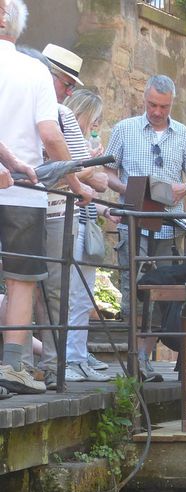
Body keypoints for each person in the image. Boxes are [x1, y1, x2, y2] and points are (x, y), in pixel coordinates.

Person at [0, 0, 89, 395]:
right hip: (24, 190)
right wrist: (77, 184)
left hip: (14, 177)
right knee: (22, 282)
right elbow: (50, 136)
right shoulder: (33, 70)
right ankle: (12, 367)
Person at [106, 73, 186, 382]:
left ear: (171, 104)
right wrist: (127, 190)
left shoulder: (184, 135)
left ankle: (145, 358)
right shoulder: (124, 129)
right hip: (134, 223)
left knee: (162, 293)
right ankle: (135, 359)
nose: (157, 112)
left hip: (168, 227)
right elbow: (106, 172)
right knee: (132, 290)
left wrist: (183, 189)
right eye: (152, 105)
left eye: (163, 106)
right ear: (144, 100)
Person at [29, 45, 110, 387]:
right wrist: (81, 178)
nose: (69, 90)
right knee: (53, 291)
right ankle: (53, 364)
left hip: (36, 207)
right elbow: (93, 175)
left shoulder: (50, 111)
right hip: (52, 212)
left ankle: (47, 363)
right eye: (67, 82)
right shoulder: (58, 114)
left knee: (39, 289)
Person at [63, 88, 114, 381]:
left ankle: (78, 355)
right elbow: (83, 177)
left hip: (88, 219)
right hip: (72, 222)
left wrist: (106, 210)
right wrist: (92, 167)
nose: (95, 126)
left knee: (84, 296)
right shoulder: (68, 139)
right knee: (73, 293)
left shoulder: (84, 142)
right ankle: (70, 357)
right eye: (94, 120)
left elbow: (99, 184)